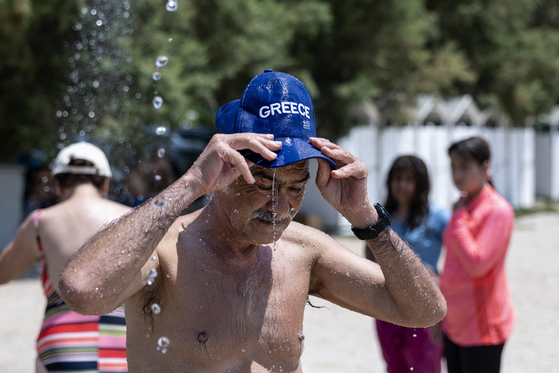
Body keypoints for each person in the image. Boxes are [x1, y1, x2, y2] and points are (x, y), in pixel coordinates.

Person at [59, 69, 446, 373]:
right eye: (263, 182)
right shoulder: (167, 253)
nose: (280, 207)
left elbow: (425, 311)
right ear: (225, 168)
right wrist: (191, 183)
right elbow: (80, 290)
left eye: (297, 187)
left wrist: (367, 219)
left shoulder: (303, 252)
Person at [0, 142, 130, 373]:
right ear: (105, 182)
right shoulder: (132, 219)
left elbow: (4, 273)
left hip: (62, 343)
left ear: (58, 184)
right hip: (123, 342)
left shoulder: (41, 222)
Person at [365, 155, 449, 373]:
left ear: (420, 184)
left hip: (424, 303)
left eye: (409, 179)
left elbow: (459, 253)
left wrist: (444, 280)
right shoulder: (381, 217)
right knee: (394, 364)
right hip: (387, 304)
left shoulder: (437, 217)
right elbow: (369, 255)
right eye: (397, 178)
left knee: (424, 364)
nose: (402, 184)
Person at [440, 136, 515, 373]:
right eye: (453, 167)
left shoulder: (498, 210)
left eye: (464, 166)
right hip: (454, 321)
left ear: (485, 166)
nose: (457, 174)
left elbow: (477, 263)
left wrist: (460, 219)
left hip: (482, 327)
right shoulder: (463, 204)